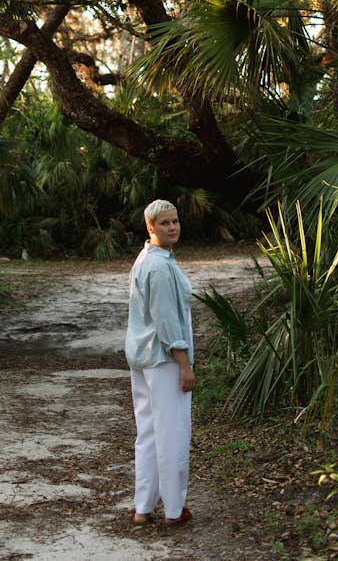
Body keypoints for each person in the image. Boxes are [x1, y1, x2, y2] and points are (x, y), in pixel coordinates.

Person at [124, 199, 194, 528]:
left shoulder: (150, 259)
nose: (173, 227)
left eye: (175, 221)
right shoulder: (158, 267)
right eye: (165, 223)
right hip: (163, 359)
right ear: (150, 228)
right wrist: (184, 364)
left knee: (150, 432)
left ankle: (143, 508)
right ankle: (173, 511)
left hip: (143, 357)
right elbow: (166, 321)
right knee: (171, 433)